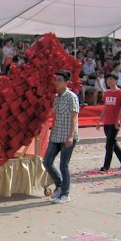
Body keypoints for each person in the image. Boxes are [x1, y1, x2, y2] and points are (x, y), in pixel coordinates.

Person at [43, 70, 78, 204]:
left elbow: (74, 118)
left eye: (59, 80)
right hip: (57, 134)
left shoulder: (72, 97)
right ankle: (59, 184)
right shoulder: (57, 97)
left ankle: (65, 194)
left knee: (64, 165)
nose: (56, 82)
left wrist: (70, 136)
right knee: (47, 161)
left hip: (67, 135)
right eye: (56, 79)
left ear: (66, 82)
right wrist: (52, 131)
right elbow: (56, 115)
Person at [98, 74, 121, 172]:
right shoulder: (106, 93)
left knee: (109, 144)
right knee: (112, 142)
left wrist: (120, 120)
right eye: (108, 80)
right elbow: (105, 107)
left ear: (116, 81)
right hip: (107, 122)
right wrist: (100, 120)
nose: (109, 81)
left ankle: (106, 166)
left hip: (115, 121)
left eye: (111, 79)